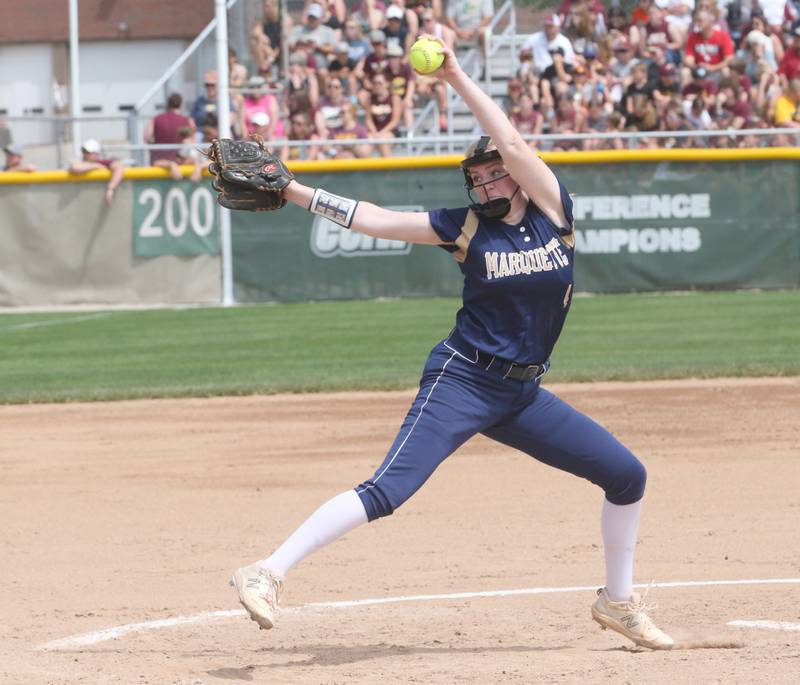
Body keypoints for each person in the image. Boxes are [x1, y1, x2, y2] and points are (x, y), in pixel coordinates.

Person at [229, 34, 674, 652]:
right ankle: (267, 570)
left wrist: (458, 78)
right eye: (479, 177)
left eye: (497, 174)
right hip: (463, 380)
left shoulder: (553, 212)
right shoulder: (462, 226)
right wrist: (294, 190)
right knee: (389, 490)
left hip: (522, 394)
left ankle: (617, 603)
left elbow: (514, 143)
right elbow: (376, 219)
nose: (488, 184)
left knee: (627, 475)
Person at [144, 93, 196, 180]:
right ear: (180, 105)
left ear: (168, 105)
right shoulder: (187, 120)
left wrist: (154, 146)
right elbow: (193, 141)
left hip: (160, 163)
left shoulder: (156, 119)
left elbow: (147, 137)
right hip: (180, 163)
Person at [68, 139, 125, 206]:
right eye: (83, 151)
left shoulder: (104, 163)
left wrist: (110, 189)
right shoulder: (82, 163)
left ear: (96, 153)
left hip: (101, 202)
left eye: (87, 152)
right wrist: (94, 166)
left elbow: (119, 167)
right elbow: (74, 168)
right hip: (83, 202)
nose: (84, 154)